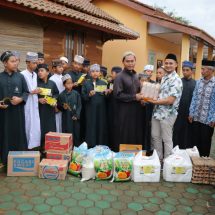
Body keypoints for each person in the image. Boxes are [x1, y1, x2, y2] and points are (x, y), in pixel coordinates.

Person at [148, 53, 183, 161]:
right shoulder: (164, 77)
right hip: (157, 112)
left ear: (176, 64)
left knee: (166, 139)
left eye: (171, 63)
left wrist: (154, 101)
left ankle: (168, 162)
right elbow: (160, 93)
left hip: (168, 114)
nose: (168, 65)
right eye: (166, 63)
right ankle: (158, 160)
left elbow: (170, 100)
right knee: (155, 137)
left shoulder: (176, 80)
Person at [0, 51, 29, 165]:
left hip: (17, 113)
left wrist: (20, 99)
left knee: (18, 134)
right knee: (4, 133)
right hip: (3, 114)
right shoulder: (0, 77)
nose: (16, 63)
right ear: (5, 63)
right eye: (12, 61)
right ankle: (4, 160)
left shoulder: (21, 77)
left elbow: (26, 92)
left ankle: (18, 161)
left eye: (16, 61)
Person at [113, 51, 143, 151]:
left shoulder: (136, 76)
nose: (130, 63)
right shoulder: (119, 76)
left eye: (132, 61)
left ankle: (134, 155)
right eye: (128, 61)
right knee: (125, 133)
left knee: (135, 133)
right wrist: (135, 97)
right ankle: (123, 158)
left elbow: (139, 92)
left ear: (135, 61)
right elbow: (117, 94)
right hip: (124, 112)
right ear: (123, 62)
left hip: (136, 111)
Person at [189, 60, 215, 156]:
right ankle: (195, 163)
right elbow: (194, 97)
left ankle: (204, 164)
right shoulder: (198, 82)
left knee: (205, 142)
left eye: (204, 69)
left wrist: (213, 118)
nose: (202, 71)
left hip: (208, 121)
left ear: (211, 70)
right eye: (202, 69)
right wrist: (191, 113)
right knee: (195, 142)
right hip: (196, 118)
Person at [82, 64, 109, 148]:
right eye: (93, 71)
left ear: (100, 73)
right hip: (90, 109)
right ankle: (90, 145)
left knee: (100, 126)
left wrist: (107, 93)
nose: (95, 73)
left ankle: (100, 145)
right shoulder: (86, 83)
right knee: (91, 126)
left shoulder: (104, 83)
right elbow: (83, 97)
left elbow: (107, 98)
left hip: (101, 110)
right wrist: (89, 95)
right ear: (90, 73)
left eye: (97, 71)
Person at [173, 61, 196, 149]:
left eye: (187, 70)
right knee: (177, 133)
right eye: (183, 70)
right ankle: (175, 151)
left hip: (189, 114)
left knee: (188, 134)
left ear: (192, 71)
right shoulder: (178, 82)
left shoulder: (195, 84)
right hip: (178, 113)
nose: (185, 72)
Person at [21, 52, 41, 150]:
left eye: (36, 63)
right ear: (28, 63)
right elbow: (21, 91)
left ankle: (33, 145)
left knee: (34, 124)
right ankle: (26, 145)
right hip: (27, 103)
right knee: (27, 123)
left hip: (34, 102)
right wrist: (31, 92)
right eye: (34, 63)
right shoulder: (22, 75)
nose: (36, 65)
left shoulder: (35, 75)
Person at [37, 64, 59, 151]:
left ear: (47, 72)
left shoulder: (52, 83)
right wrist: (39, 99)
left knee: (50, 130)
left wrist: (54, 100)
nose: (39, 73)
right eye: (38, 71)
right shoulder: (36, 83)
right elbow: (31, 96)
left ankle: (49, 150)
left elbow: (56, 94)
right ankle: (39, 150)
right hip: (39, 111)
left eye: (42, 70)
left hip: (50, 111)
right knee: (40, 130)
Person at [58, 74, 82, 146]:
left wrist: (77, 115)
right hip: (66, 118)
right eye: (68, 83)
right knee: (67, 134)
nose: (70, 85)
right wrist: (63, 107)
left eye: (71, 83)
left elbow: (79, 105)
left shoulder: (76, 94)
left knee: (76, 134)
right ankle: (67, 150)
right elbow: (59, 106)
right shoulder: (61, 95)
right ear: (64, 85)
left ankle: (76, 150)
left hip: (75, 118)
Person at [107, 66, 122, 151]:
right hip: (111, 108)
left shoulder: (121, 83)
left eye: (112, 73)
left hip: (119, 109)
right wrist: (108, 93)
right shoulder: (110, 83)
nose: (111, 75)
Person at [49, 59, 65, 132]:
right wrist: (55, 105)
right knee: (57, 123)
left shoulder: (64, 78)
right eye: (59, 67)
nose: (61, 68)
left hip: (64, 103)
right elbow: (51, 94)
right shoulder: (51, 79)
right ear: (54, 68)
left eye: (62, 66)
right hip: (56, 103)